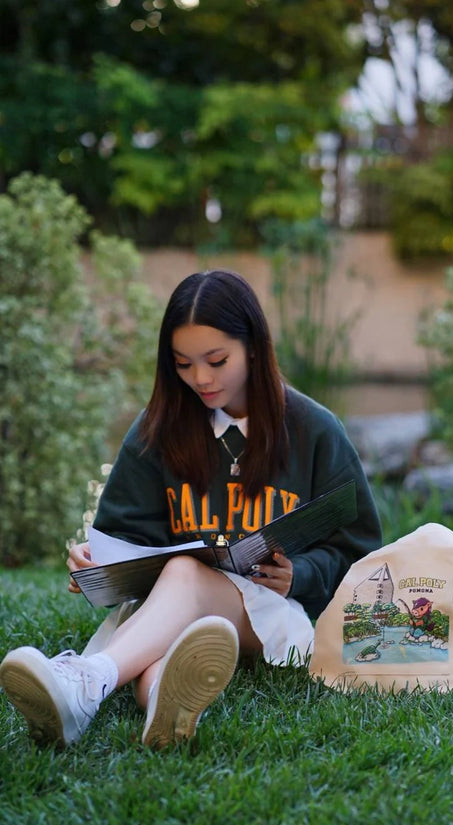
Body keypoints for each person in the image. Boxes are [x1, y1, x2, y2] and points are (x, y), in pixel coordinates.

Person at [0, 269, 382, 750]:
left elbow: (362, 552)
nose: (200, 378)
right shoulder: (160, 428)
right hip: (174, 610)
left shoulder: (313, 430)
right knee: (164, 648)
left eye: (216, 360)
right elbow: (124, 532)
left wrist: (300, 574)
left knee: (183, 571)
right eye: (183, 363)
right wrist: (98, 564)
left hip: (278, 617)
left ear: (255, 349)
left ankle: (85, 681)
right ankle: (165, 697)